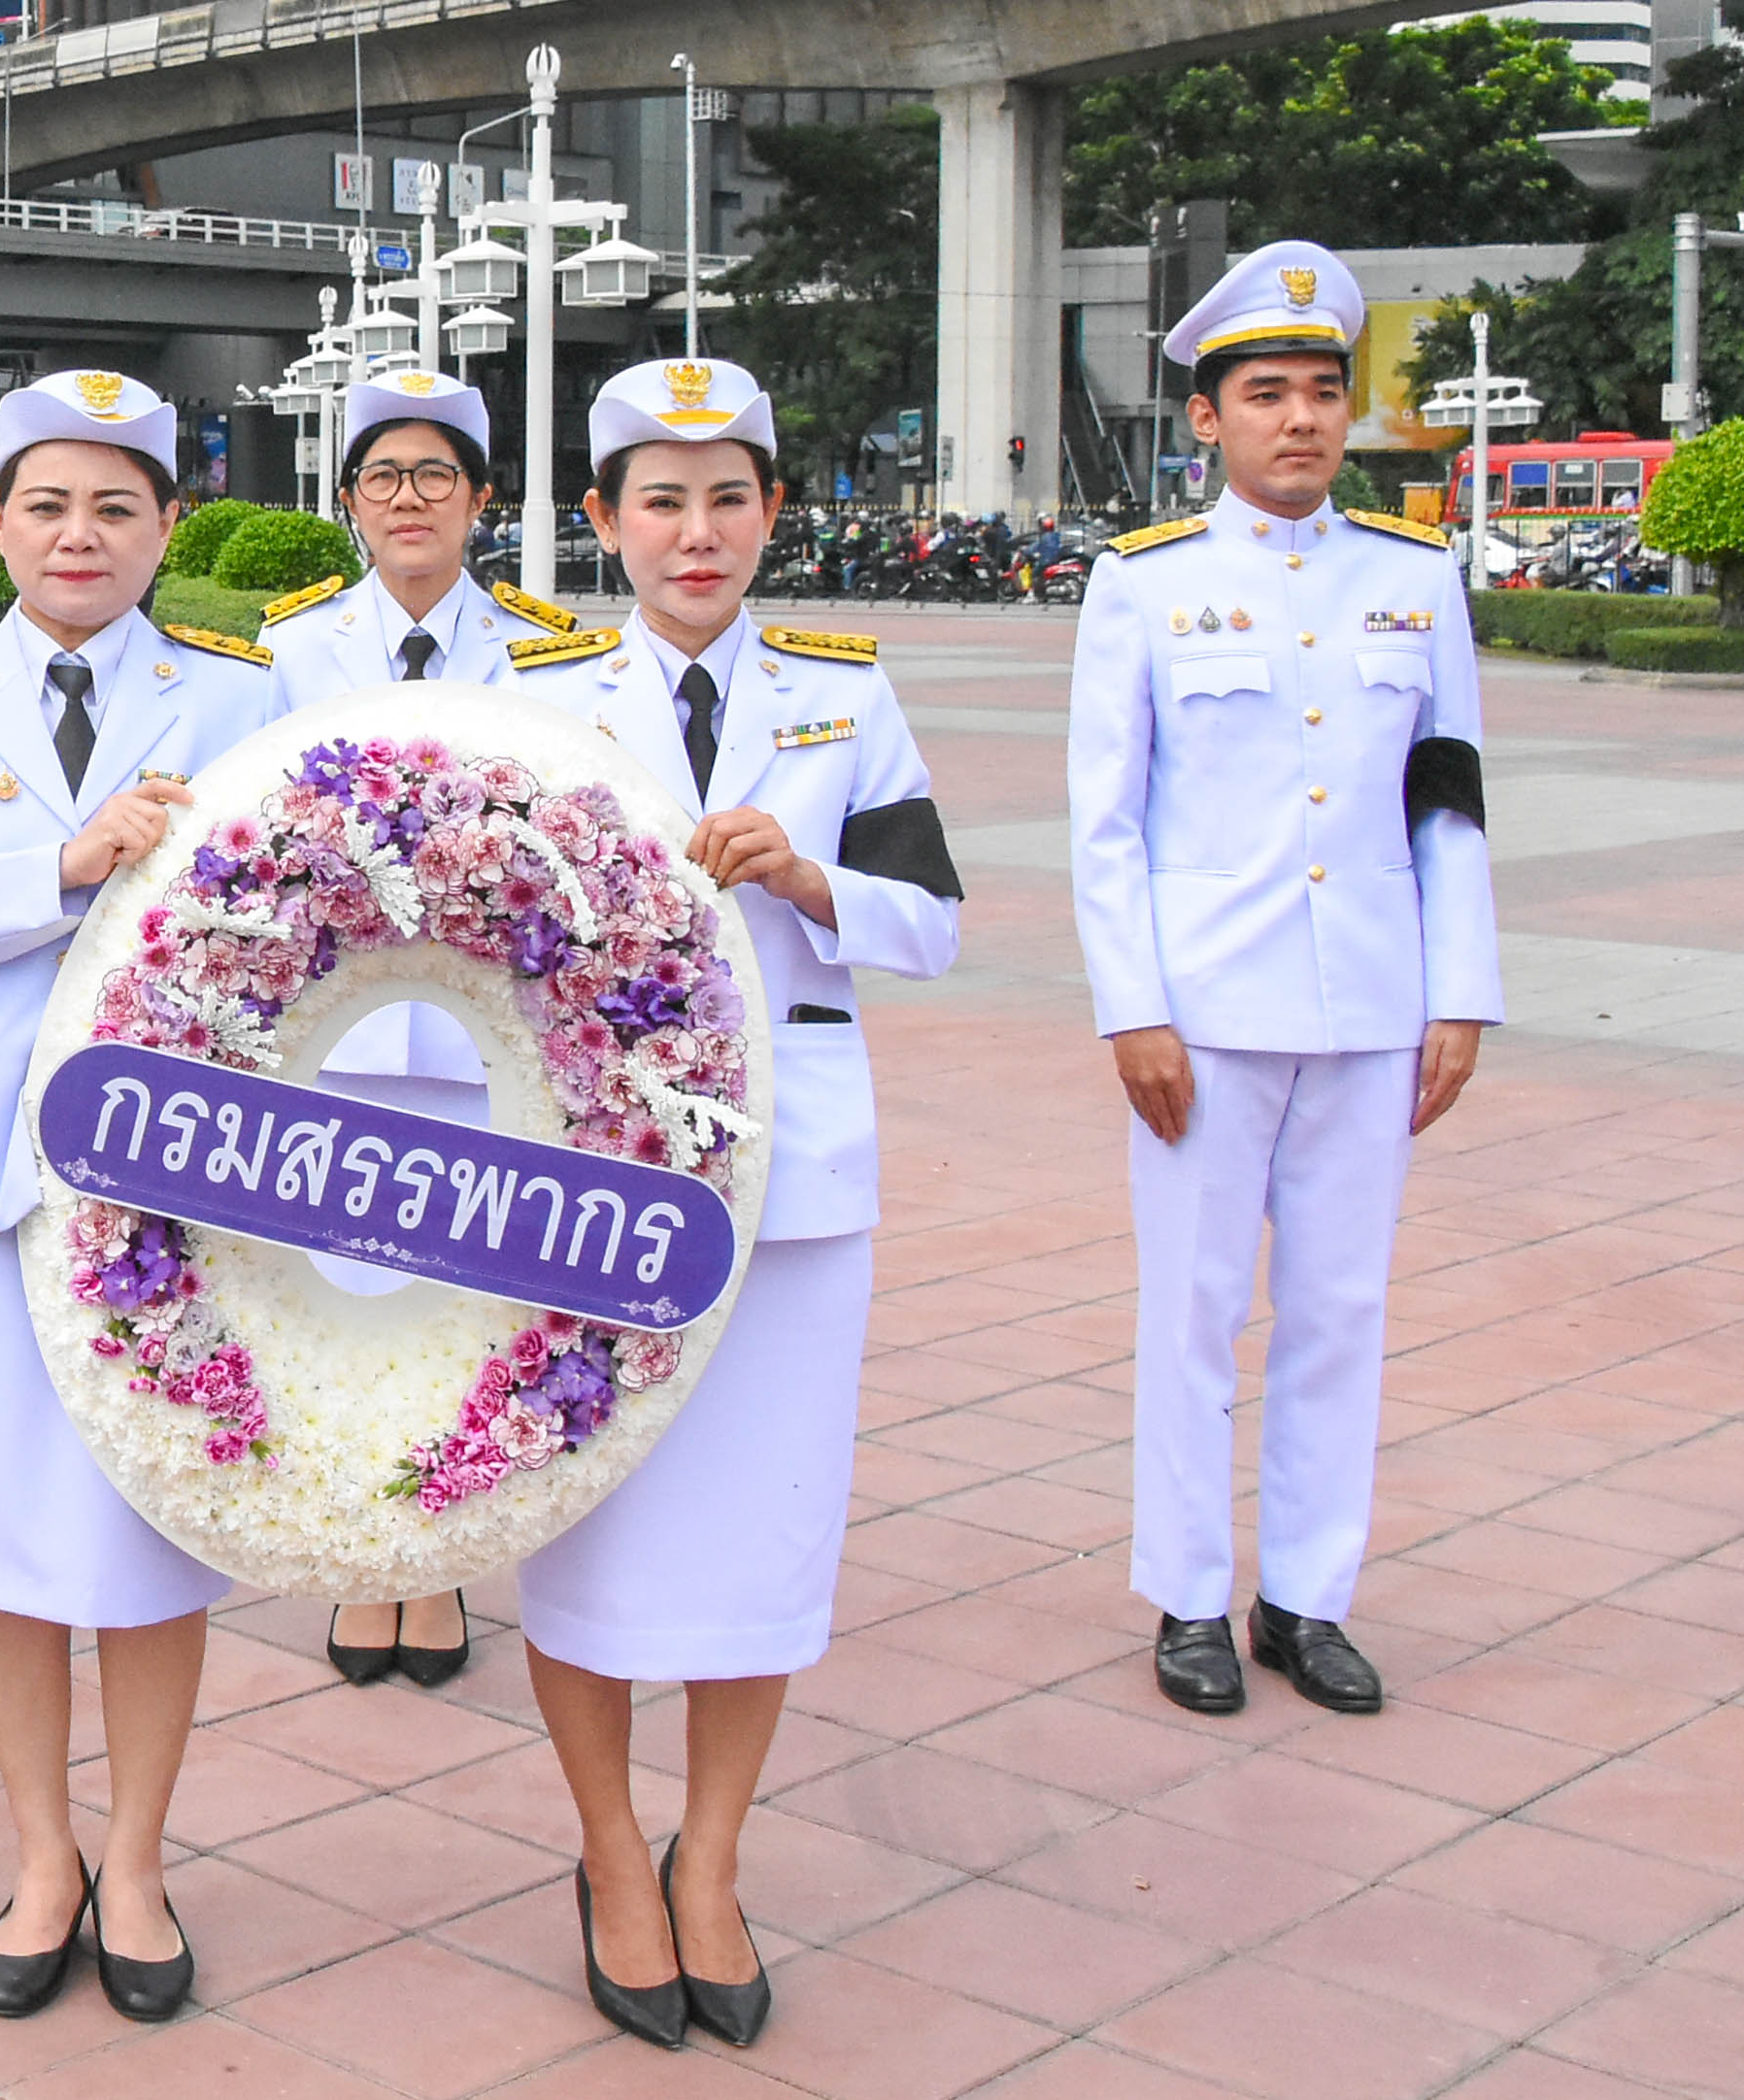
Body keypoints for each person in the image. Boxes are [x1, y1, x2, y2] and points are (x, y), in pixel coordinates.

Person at [506, 357, 962, 2050]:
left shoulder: (846, 695)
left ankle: (716, 1858)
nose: (695, 532)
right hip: (591, 1180)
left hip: (794, 1176)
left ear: (773, 511)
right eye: (659, 498)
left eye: (727, 496)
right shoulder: (540, 695)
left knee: (762, 1528)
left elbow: (932, 918)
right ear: (606, 522)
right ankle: (612, 1850)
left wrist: (813, 875)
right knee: (588, 1516)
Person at [0, 367, 272, 2024]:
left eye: (115, 505)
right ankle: (39, 1851)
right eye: (45, 503)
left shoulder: (242, 697)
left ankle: (140, 1854)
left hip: (168, 1185)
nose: (78, 535)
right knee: (4, 1536)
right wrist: (64, 867)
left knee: (151, 1524)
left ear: (166, 525)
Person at [1067, 241, 1499, 1721]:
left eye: (1322, 391)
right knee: (1191, 1312)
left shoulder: (1413, 578)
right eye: (1266, 393)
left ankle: (1306, 1594)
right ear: (1207, 419)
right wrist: (1130, 1005)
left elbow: (1447, 799)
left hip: (1373, 1006)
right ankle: (1187, 1592)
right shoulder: (1142, 588)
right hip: (1200, 1015)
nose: (1301, 419)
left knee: (1339, 1308)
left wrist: (1461, 992)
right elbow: (1103, 821)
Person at [261, 367, 575, 1690]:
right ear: (346, 501)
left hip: (471, 1033)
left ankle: (436, 1563)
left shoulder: (546, 652)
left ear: (480, 500)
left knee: (456, 1307)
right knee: (340, 1299)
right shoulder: (280, 651)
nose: (407, 499)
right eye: (382, 477)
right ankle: (361, 1559)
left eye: (434, 476)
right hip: (334, 1031)